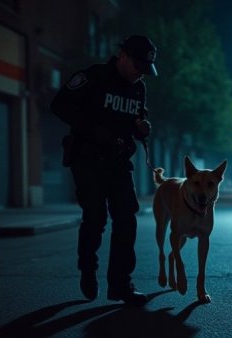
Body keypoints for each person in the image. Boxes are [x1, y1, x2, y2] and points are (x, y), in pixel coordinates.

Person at [50, 35, 157, 306]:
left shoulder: (138, 88)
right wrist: (96, 132)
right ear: (122, 56)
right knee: (95, 217)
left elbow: (136, 119)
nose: (139, 74)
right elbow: (59, 105)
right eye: (137, 66)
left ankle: (121, 284)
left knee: (126, 218)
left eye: (144, 70)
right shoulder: (93, 77)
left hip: (119, 161)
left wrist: (141, 128)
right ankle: (88, 267)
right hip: (87, 158)